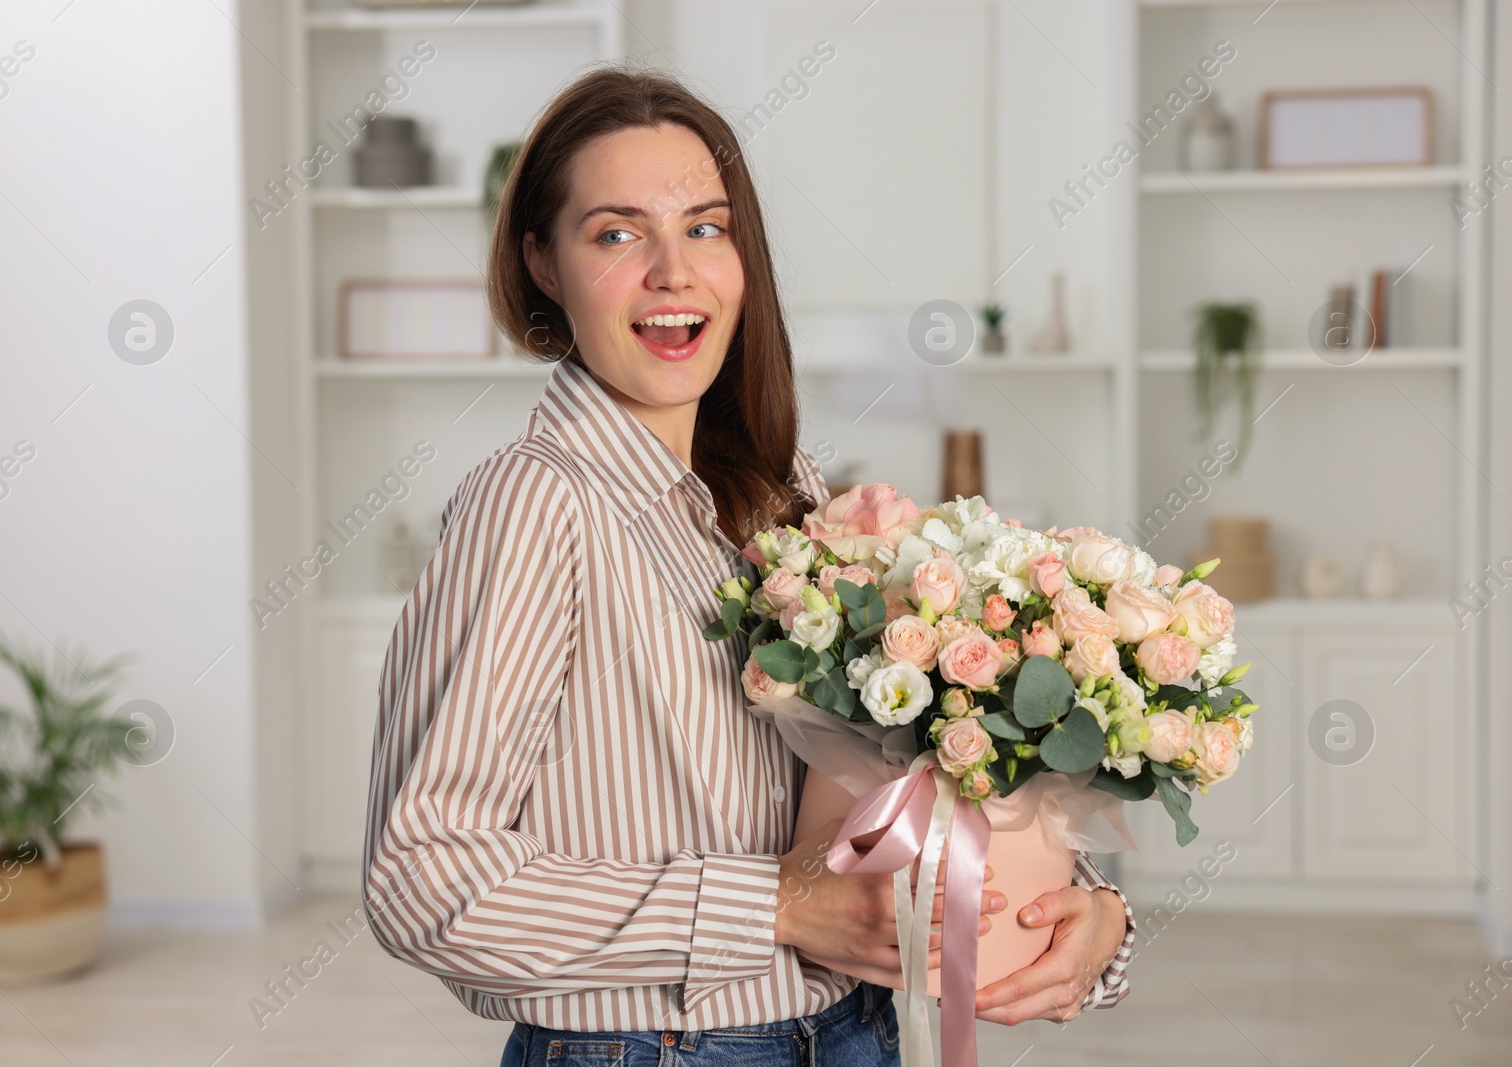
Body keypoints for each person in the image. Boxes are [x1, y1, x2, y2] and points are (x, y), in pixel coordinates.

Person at [362, 64, 1135, 1067]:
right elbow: (424, 878)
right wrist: (776, 902)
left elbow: (903, 782)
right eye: (615, 232)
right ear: (542, 263)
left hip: (851, 1030)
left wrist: (1093, 914)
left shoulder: (782, 498)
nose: (671, 272)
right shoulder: (534, 503)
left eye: (705, 227)